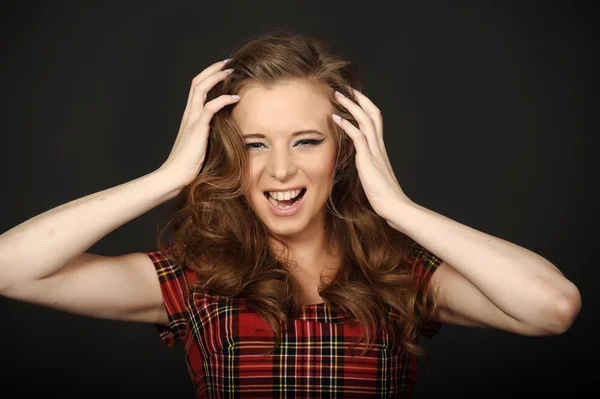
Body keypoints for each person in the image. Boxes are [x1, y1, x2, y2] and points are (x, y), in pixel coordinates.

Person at [0, 30, 581, 398]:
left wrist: (398, 208)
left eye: (306, 141)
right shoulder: (194, 280)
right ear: (229, 154)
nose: (280, 171)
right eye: (256, 144)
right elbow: (10, 267)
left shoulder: (399, 278)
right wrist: (166, 178)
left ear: (344, 151)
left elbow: (551, 307)